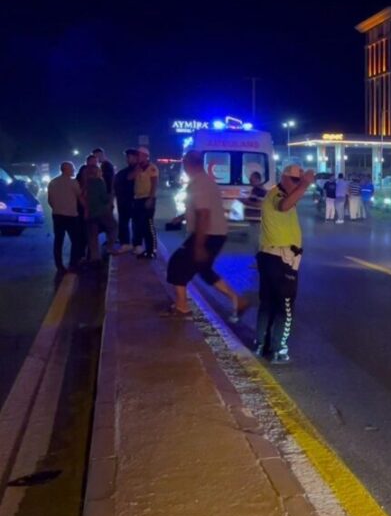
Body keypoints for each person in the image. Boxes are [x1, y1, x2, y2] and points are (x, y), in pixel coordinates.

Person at [165, 151, 244, 319]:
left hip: (208, 233)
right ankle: (237, 300)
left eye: (184, 163)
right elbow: (199, 208)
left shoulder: (200, 183)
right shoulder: (203, 181)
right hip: (214, 233)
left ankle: (182, 307)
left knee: (177, 265)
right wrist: (181, 217)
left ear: (188, 164)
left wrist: (199, 245)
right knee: (203, 269)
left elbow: (204, 214)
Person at [255, 164, 314, 364]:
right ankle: (279, 349)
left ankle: (261, 344)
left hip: (271, 257)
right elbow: (284, 206)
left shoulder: (280, 193)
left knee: (268, 303)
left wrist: (300, 187)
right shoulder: (277, 195)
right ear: (284, 178)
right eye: (294, 180)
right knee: (285, 307)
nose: (297, 185)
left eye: (299, 181)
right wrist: (305, 184)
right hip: (280, 259)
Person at [47, 162, 84, 273]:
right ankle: (73, 264)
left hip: (57, 215)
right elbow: (80, 196)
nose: (73, 170)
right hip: (71, 215)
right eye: (72, 168)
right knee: (76, 240)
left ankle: (59, 265)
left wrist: (56, 208)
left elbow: (50, 200)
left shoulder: (52, 182)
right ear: (66, 170)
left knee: (58, 240)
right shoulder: (73, 182)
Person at [82, 164, 119, 263]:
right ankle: (109, 248)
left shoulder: (84, 183)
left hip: (89, 212)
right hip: (101, 211)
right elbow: (103, 198)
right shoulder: (99, 182)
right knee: (113, 227)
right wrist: (111, 196)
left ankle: (95, 257)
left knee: (92, 235)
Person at [130, 146, 159, 258]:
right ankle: (140, 248)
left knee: (148, 225)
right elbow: (129, 178)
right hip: (137, 199)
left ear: (146, 156)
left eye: (140, 155)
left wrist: (150, 199)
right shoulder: (137, 168)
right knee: (138, 224)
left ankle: (152, 250)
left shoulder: (152, 168)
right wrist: (136, 170)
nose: (138, 157)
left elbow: (154, 184)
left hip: (147, 198)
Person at [115, 149, 138, 252]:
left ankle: (137, 244)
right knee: (123, 223)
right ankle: (125, 243)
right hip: (124, 202)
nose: (127, 159)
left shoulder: (140, 171)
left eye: (129, 157)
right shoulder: (122, 172)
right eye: (127, 157)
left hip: (134, 201)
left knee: (136, 223)